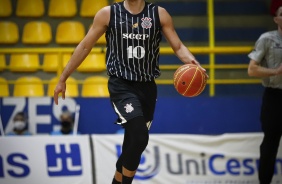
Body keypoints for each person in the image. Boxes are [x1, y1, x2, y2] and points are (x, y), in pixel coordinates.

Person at [53, 0, 208, 183]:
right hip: (122, 85)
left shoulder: (159, 14)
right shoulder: (108, 14)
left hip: (147, 87)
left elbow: (178, 47)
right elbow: (85, 46)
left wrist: (192, 63)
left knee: (133, 144)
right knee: (140, 135)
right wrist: (63, 78)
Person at [247, 0, 282, 183]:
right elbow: (252, 70)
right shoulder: (267, 39)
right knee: (270, 143)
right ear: (277, 19)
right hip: (274, 96)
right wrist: (276, 71)